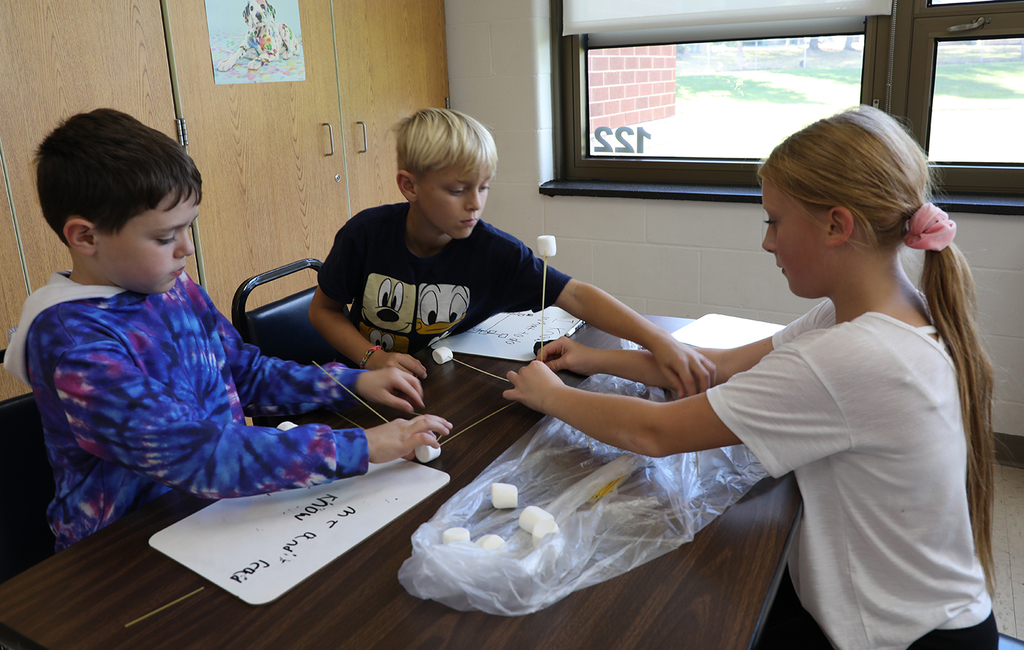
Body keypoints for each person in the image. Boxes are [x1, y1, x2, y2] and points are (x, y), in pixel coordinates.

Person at [503, 106, 997, 649]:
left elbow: (656, 433)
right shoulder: (869, 313)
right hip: (897, 611)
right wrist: (595, 360)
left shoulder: (854, 354)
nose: (767, 242)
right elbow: (717, 367)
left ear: (837, 224)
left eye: (774, 221)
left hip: (899, 638)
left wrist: (549, 395)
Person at [4, 108, 451, 551]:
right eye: (164, 237)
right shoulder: (75, 343)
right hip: (127, 549)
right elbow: (194, 453)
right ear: (85, 237)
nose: (186, 249)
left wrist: (353, 382)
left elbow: (243, 372)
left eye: (188, 228)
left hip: (216, 513)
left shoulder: (169, 287)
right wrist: (361, 446)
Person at [308, 107, 711, 397]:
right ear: (409, 186)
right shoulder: (364, 234)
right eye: (457, 190)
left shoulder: (492, 251)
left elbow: (574, 294)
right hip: (359, 387)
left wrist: (659, 340)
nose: (475, 204)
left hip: (438, 387)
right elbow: (323, 311)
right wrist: (371, 358)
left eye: (483, 187)